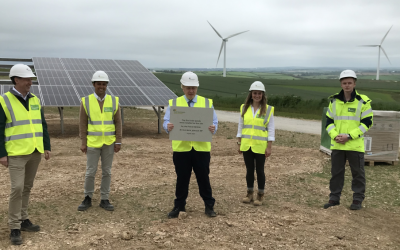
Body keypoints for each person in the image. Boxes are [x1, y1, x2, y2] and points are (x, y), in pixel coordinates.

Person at [0, 64, 51, 245]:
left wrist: (46, 145)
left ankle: (23, 219)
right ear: (16, 80)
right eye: (27, 79)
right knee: (17, 188)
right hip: (15, 153)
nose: (30, 82)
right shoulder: (4, 101)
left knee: (27, 187)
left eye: (31, 79)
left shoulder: (35, 100)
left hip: (35, 151)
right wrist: (2, 154)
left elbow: (42, 124)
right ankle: (14, 226)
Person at [163, 71, 218, 218]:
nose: (191, 90)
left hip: (201, 149)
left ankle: (209, 205)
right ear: (182, 87)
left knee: (203, 178)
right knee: (182, 179)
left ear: (197, 87)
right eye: (188, 87)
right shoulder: (174, 103)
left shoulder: (207, 103)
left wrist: (213, 128)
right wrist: (167, 127)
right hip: (181, 149)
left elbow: (215, 122)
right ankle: (179, 206)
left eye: (193, 87)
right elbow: (165, 121)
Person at [324, 70, 373, 210]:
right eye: (344, 83)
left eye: (349, 83)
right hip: (338, 145)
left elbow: (367, 123)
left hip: (354, 145)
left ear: (354, 83)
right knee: (336, 173)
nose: (347, 85)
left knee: (358, 174)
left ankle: (357, 199)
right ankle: (334, 198)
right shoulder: (334, 101)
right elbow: (328, 122)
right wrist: (335, 136)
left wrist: (349, 136)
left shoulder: (363, 101)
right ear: (341, 84)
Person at [77, 71, 122, 212]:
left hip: (109, 142)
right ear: (94, 85)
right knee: (90, 172)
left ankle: (104, 198)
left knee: (107, 172)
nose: (101, 86)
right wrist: (83, 142)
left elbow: (118, 122)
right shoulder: (86, 101)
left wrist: (118, 141)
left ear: (106, 85)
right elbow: (82, 123)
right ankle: (88, 197)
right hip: (92, 143)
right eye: (98, 84)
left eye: (104, 84)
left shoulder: (114, 101)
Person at [237, 81, 274, 206]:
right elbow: (241, 126)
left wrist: (269, 146)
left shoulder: (268, 110)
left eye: (259, 93)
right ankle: (249, 193)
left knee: (260, 171)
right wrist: (239, 142)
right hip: (247, 144)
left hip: (260, 146)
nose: (257, 95)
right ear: (251, 94)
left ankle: (260, 195)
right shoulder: (244, 108)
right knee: (249, 170)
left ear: (263, 95)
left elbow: (271, 129)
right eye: (254, 93)